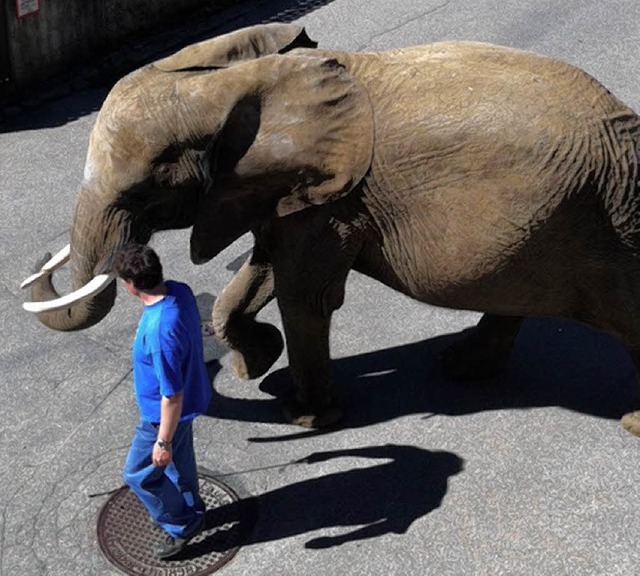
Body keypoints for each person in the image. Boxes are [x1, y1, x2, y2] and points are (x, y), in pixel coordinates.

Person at [113, 243, 212, 560]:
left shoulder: (158, 331)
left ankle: (182, 524)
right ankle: (192, 505)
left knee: (138, 474)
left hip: (163, 416)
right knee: (180, 468)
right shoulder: (180, 292)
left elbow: (172, 394)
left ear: (130, 285)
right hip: (192, 401)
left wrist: (162, 442)